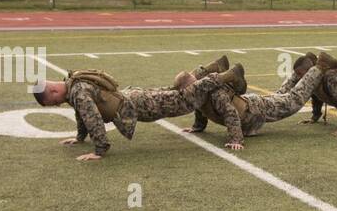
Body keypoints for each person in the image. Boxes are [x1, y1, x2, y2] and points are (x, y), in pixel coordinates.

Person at [30, 65, 240, 159]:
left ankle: (226, 76)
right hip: (133, 97)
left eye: (53, 102)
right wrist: (79, 137)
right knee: (172, 93)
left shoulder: (77, 91)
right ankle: (207, 70)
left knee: (184, 100)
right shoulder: (73, 81)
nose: (56, 105)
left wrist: (98, 151)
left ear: (54, 90)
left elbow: (92, 118)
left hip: (136, 104)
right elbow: (81, 115)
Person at [180, 54, 328, 150]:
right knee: (280, 96)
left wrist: (236, 139)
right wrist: (197, 127)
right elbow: (200, 108)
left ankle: (318, 68)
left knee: (292, 101)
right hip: (252, 105)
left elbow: (230, 112)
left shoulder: (215, 94)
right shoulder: (199, 93)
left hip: (255, 110)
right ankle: (302, 71)